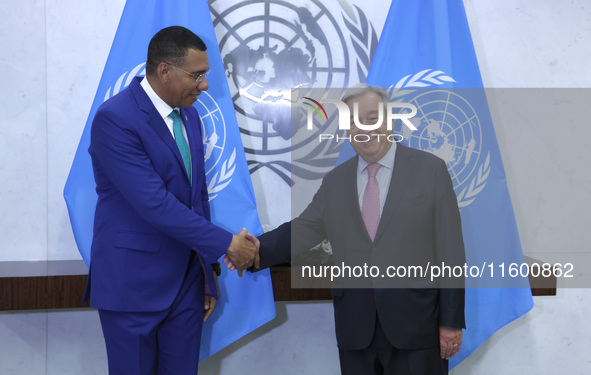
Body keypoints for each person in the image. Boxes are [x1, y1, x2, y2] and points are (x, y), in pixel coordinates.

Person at [231, 84, 466, 374]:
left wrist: (451, 321)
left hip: (417, 327)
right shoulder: (336, 182)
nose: (363, 129)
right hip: (356, 328)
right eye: (354, 121)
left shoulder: (430, 170)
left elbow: (451, 251)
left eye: (372, 118)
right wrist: (254, 251)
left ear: (390, 121)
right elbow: (304, 229)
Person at [84, 26, 257, 374]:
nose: (204, 85)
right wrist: (228, 244)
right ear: (164, 70)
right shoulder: (115, 119)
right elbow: (154, 204)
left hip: (186, 287)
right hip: (132, 286)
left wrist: (206, 275)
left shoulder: (190, 116)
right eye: (197, 75)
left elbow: (197, 199)